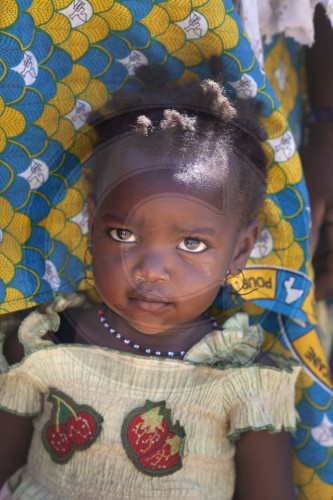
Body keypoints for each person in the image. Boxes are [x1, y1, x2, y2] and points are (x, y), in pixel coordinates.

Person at [0, 79, 300, 499]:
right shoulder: (43, 342)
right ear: (91, 223)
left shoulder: (245, 379)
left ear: (240, 251)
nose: (152, 271)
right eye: (122, 233)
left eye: (191, 244)